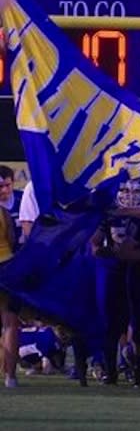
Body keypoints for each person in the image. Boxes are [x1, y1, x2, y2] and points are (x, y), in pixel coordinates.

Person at [0, 164, 19, 388]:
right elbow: (12, 240)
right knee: (10, 323)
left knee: (10, 323)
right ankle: (10, 377)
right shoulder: (4, 212)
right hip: (6, 266)